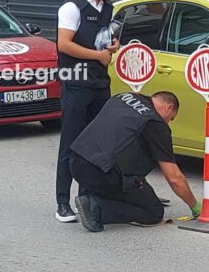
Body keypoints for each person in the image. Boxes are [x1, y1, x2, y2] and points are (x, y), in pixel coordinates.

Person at [54, 0, 126, 223]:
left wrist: (111, 45)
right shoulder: (72, 8)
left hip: (99, 82)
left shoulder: (108, 8)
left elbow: (102, 38)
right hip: (75, 81)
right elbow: (64, 44)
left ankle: (86, 197)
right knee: (71, 143)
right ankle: (62, 202)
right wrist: (97, 56)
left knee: (94, 143)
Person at [70, 91, 201, 232]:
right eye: (171, 118)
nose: (169, 121)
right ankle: (96, 206)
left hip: (76, 160)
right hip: (102, 172)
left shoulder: (124, 96)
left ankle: (93, 196)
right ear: (169, 108)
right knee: (153, 212)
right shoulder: (156, 124)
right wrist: (194, 206)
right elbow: (174, 177)